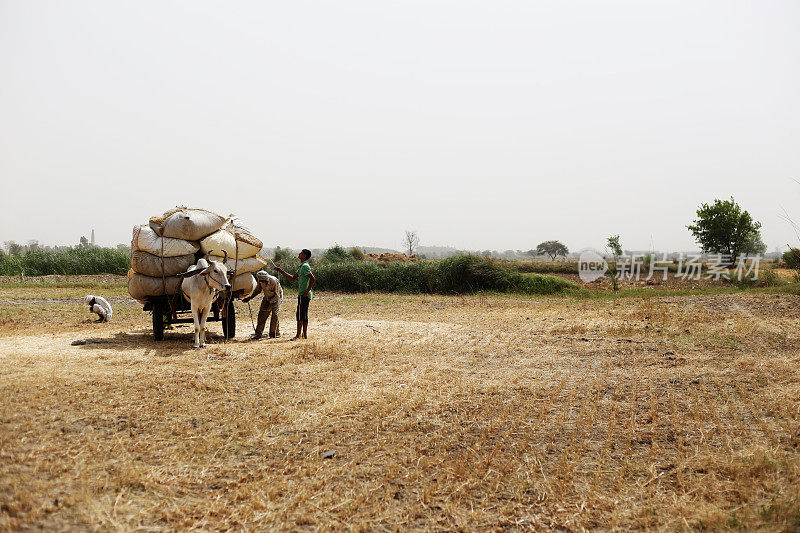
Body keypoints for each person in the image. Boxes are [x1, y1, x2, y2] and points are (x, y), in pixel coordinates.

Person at [274, 249, 315, 340]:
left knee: (300, 315)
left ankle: (298, 335)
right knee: (303, 314)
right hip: (304, 294)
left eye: (301, 253)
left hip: (304, 294)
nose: (299, 254)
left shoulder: (304, 266)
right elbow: (292, 278)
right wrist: (281, 271)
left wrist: (306, 291)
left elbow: (313, 279)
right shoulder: (301, 267)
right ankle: (304, 335)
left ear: (304, 256)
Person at [243, 270, 283, 339]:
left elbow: (277, 294)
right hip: (267, 297)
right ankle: (258, 334)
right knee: (262, 314)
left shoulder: (274, 281)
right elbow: (257, 290)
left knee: (275, 315)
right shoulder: (260, 281)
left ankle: (274, 334)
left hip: (276, 298)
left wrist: (270, 302)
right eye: (260, 280)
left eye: (263, 280)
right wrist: (250, 298)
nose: (262, 282)